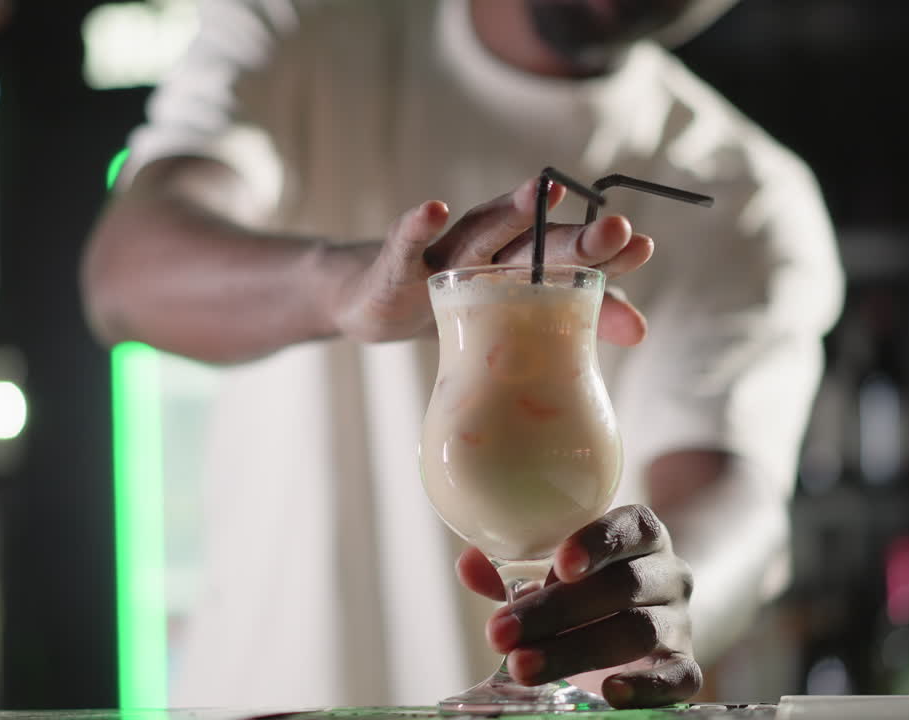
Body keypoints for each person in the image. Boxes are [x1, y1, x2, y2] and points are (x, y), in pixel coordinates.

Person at [80, 0, 844, 709]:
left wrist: (670, 593)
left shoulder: (751, 192)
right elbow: (124, 275)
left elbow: (732, 497)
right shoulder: (305, 21)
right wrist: (346, 286)